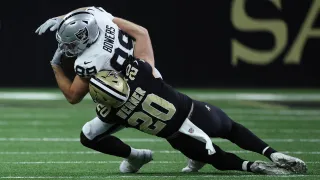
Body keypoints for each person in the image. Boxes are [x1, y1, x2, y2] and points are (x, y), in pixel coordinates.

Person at [88, 56, 307, 175]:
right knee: (232, 129)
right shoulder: (140, 73)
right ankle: (271, 153)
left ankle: (251, 167)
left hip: (181, 138)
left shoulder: (109, 113)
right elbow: (140, 45)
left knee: (218, 159)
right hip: (199, 114)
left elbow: (100, 127)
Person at [35, 6, 163, 173]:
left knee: (89, 136)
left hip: (128, 99)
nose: (67, 48)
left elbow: (73, 96)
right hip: (148, 78)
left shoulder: (91, 60)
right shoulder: (102, 19)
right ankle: (191, 152)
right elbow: (88, 10)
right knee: (174, 124)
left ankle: (138, 157)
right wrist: (62, 18)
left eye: (72, 43)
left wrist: (55, 66)